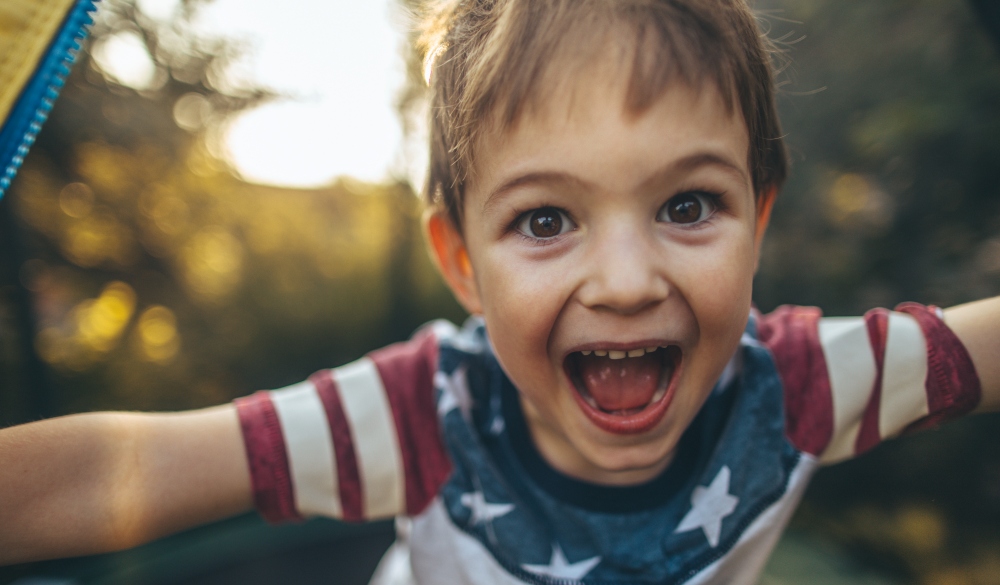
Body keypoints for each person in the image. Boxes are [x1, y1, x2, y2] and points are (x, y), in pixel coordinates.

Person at [1, 0, 998, 583]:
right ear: (461, 264)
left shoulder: (795, 390)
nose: (622, 281)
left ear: (759, 219)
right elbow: (122, 474)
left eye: (688, 205)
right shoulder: (423, 416)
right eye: (545, 220)